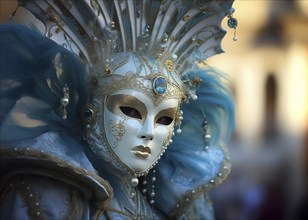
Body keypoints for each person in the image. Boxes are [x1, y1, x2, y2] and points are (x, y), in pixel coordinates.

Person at [0, 0, 236, 219]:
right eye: (131, 111)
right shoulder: (47, 197)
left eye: (165, 118)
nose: (149, 132)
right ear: (90, 111)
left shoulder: (170, 203)